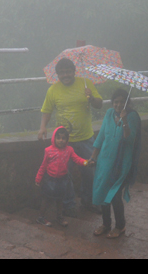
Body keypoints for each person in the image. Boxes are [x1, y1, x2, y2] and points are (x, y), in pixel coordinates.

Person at [38, 57, 103, 216]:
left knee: (89, 171)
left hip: (86, 138)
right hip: (63, 142)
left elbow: (99, 105)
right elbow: (47, 110)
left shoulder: (85, 84)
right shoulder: (53, 90)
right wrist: (42, 127)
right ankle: (68, 205)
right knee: (64, 174)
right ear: (58, 75)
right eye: (62, 73)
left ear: (74, 71)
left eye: (68, 71)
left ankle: (88, 201)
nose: (65, 75)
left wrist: (91, 98)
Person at [89, 88, 142, 238]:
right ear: (112, 103)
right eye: (116, 102)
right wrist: (93, 157)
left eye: (122, 102)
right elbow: (101, 137)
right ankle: (106, 224)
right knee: (102, 191)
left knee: (114, 195)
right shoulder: (109, 114)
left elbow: (129, 139)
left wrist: (124, 121)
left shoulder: (132, 117)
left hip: (121, 163)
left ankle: (120, 226)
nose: (118, 105)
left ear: (127, 103)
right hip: (105, 161)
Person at [35, 126, 90, 227]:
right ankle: (41, 217)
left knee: (60, 199)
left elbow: (77, 159)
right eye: (58, 138)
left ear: (67, 140)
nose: (61, 140)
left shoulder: (69, 150)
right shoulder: (48, 150)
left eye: (63, 138)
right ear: (54, 139)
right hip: (50, 180)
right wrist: (38, 178)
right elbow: (43, 165)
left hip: (62, 179)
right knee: (46, 199)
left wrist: (86, 162)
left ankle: (59, 217)